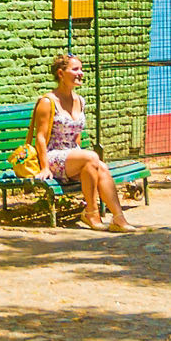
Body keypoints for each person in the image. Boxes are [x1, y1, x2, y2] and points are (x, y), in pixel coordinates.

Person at [31, 53, 136, 231]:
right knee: (92, 158)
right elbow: (40, 137)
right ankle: (91, 213)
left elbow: (77, 135)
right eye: (75, 69)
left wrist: (84, 158)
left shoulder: (80, 100)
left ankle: (118, 218)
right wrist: (44, 167)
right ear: (61, 73)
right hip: (53, 157)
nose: (81, 73)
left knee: (99, 166)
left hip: (73, 155)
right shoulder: (48, 102)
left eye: (81, 69)